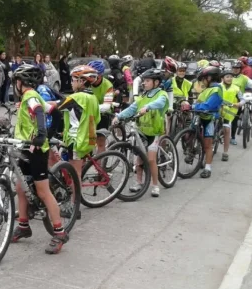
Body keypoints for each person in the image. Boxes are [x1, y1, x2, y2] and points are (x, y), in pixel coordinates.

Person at [10, 64, 68, 254]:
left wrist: (43, 135)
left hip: (37, 150)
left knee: (43, 191)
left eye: (16, 82)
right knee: (21, 187)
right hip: (26, 147)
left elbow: (40, 113)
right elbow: (54, 111)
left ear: (21, 82)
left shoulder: (31, 96)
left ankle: (59, 232)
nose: (15, 85)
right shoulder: (29, 97)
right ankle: (24, 225)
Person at [112, 69, 168, 197]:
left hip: (153, 132)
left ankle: (155, 185)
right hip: (142, 131)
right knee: (139, 160)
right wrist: (119, 116)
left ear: (156, 82)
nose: (144, 83)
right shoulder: (143, 96)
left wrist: (148, 107)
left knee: (151, 160)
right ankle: (139, 182)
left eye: (148, 81)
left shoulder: (161, 94)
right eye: (144, 81)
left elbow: (160, 103)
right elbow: (132, 108)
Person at [56, 65, 100, 188]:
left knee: (75, 175)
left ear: (82, 81)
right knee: (76, 172)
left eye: (73, 80)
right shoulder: (93, 97)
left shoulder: (76, 97)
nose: (71, 83)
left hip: (77, 140)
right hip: (88, 138)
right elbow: (97, 118)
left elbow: (56, 105)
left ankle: (75, 205)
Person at [192, 66, 224, 178]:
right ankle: (194, 153)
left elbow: (208, 105)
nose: (202, 81)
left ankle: (208, 168)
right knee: (191, 134)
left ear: (209, 78)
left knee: (207, 145)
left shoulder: (216, 90)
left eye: (203, 79)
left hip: (209, 119)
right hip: (200, 116)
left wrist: (194, 105)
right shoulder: (207, 89)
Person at [230, 60, 252, 144]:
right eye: (234, 68)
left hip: (238, 101)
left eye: (237, 68)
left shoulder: (244, 78)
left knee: (235, 119)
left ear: (240, 69)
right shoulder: (228, 76)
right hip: (226, 100)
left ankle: (233, 137)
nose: (235, 69)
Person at [85, 60, 114, 153]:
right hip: (89, 114)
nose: (90, 78)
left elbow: (107, 106)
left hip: (103, 114)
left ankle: (100, 166)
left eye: (93, 75)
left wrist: (91, 107)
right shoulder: (86, 83)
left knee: (100, 143)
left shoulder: (108, 85)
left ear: (100, 75)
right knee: (89, 142)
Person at [220, 71, 244, 162]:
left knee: (226, 130)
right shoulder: (218, 86)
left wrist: (239, 104)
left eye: (231, 77)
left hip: (229, 113)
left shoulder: (236, 88)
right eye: (227, 77)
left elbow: (243, 100)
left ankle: (225, 152)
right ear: (222, 78)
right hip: (217, 111)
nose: (229, 78)